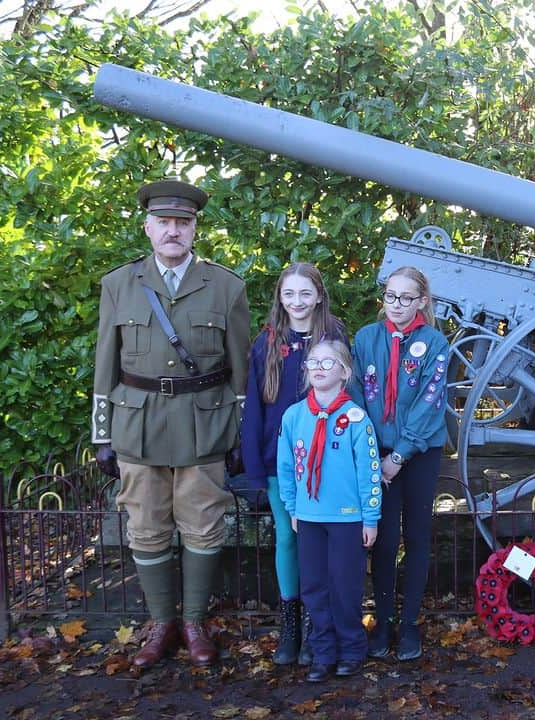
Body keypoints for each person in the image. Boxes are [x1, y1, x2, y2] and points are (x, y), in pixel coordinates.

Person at [91, 179, 250, 669]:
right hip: (136, 424)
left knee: (204, 525)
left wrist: (240, 433)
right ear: (148, 227)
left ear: (195, 228)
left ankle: (195, 621)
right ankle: (162, 623)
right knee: (145, 526)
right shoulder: (119, 284)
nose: (173, 231)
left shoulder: (226, 286)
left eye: (183, 222)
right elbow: (105, 362)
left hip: (204, 424)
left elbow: (239, 365)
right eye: (164, 222)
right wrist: (102, 433)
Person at [240, 263, 347, 666]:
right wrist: (253, 467)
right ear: (280, 298)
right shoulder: (266, 343)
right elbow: (254, 407)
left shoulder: (333, 337)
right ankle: (291, 622)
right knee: (288, 536)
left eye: (305, 294)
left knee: (318, 541)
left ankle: (321, 624)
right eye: (289, 294)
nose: (297, 302)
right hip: (278, 459)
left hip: (327, 459)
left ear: (318, 295)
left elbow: (348, 398)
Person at [351, 267, 448, 662]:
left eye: (407, 298)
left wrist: (399, 455)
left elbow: (430, 402)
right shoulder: (366, 338)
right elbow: (356, 395)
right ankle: (384, 620)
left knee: (418, 535)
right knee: (385, 540)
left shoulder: (435, 342)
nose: (397, 305)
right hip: (378, 453)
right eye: (391, 296)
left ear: (422, 301)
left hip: (419, 453)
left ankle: (409, 624)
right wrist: (375, 453)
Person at [276, 339, 380, 681]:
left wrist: (370, 517)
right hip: (308, 517)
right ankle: (323, 652)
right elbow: (287, 467)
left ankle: (351, 648)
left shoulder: (356, 418)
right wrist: (292, 508)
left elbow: (369, 471)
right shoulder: (294, 416)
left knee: (345, 586)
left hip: (347, 519)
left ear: (344, 372)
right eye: (313, 362)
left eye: (328, 362)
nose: (318, 368)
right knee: (314, 586)